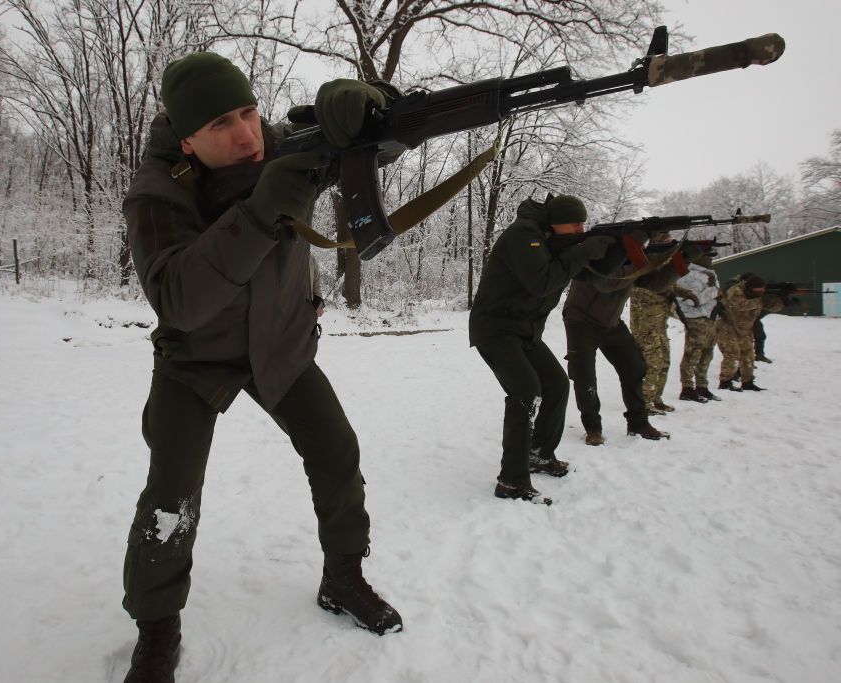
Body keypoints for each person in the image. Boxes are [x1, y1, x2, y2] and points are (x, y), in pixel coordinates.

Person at [120, 53, 402, 682]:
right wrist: (257, 212)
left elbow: (374, 145)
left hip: (281, 344)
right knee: (172, 494)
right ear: (187, 137)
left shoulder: (283, 148)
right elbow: (177, 300)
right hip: (194, 362)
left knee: (337, 453)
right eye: (223, 123)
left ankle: (343, 578)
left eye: (249, 111)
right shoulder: (157, 191)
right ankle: (157, 628)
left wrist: (365, 102)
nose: (247, 134)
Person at [469, 194, 615, 504]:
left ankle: (539, 454)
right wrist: (585, 249)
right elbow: (542, 281)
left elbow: (590, 275)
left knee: (556, 385)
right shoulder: (523, 235)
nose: (580, 229)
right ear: (556, 221)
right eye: (575, 223)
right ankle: (512, 481)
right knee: (525, 391)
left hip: (524, 331)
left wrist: (622, 250)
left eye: (583, 224)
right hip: (495, 329)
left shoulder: (552, 239)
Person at [562, 236, 690, 445]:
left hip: (611, 323)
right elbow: (607, 282)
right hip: (581, 323)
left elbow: (656, 283)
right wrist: (641, 263)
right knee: (584, 376)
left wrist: (682, 260)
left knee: (634, 367)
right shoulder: (597, 255)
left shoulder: (632, 261)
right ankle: (593, 427)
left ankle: (638, 423)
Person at [628, 233, 700, 415]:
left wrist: (684, 292)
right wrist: (667, 293)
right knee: (652, 364)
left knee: (664, 361)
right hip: (645, 327)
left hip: (659, 325)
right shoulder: (642, 265)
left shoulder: (659, 266)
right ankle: (644, 402)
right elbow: (644, 289)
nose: (670, 242)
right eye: (666, 240)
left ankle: (655, 397)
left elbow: (666, 285)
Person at [716, 274, 782, 391]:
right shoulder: (735, 290)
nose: (761, 291)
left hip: (745, 328)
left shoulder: (758, 296)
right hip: (727, 325)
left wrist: (782, 300)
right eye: (759, 289)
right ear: (750, 288)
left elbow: (771, 307)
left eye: (763, 289)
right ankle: (725, 382)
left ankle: (747, 382)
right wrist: (762, 300)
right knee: (732, 353)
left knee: (748, 355)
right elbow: (741, 306)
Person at [675, 249, 722, 402]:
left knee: (707, 353)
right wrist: (713, 291)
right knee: (693, 353)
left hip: (709, 317)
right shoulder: (686, 273)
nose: (710, 258)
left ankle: (702, 386)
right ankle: (687, 388)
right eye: (707, 255)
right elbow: (691, 300)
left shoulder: (709, 274)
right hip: (695, 318)